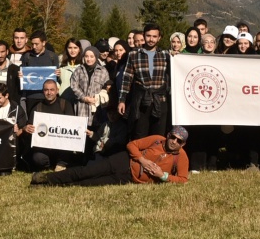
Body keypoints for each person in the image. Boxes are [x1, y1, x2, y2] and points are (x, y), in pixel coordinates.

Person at [31, 127, 190, 186]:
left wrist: (163, 176)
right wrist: (142, 159)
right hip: (123, 161)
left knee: (90, 183)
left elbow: (183, 179)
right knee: (86, 171)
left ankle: (51, 185)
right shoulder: (156, 140)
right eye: (172, 137)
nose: (174, 141)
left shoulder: (181, 157)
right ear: (168, 135)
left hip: (131, 178)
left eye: (179, 140)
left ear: (183, 144)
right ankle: (45, 178)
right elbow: (131, 145)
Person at [117, 23, 171, 140]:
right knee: (139, 136)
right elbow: (127, 78)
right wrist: (122, 100)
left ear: (159, 38)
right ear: (144, 36)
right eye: (148, 36)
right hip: (141, 102)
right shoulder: (133, 55)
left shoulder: (166, 55)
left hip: (160, 100)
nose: (151, 39)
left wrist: (177, 56)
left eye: (154, 36)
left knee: (158, 138)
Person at [21, 78, 86, 172]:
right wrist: (26, 128)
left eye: (52, 90)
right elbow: (30, 127)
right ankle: (49, 164)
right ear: (43, 91)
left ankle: (61, 163)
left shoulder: (65, 104)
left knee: (67, 152)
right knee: (38, 159)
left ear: (57, 91)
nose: (49, 92)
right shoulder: (37, 107)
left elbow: (72, 127)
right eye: (46, 90)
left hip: (62, 147)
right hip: (44, 147)